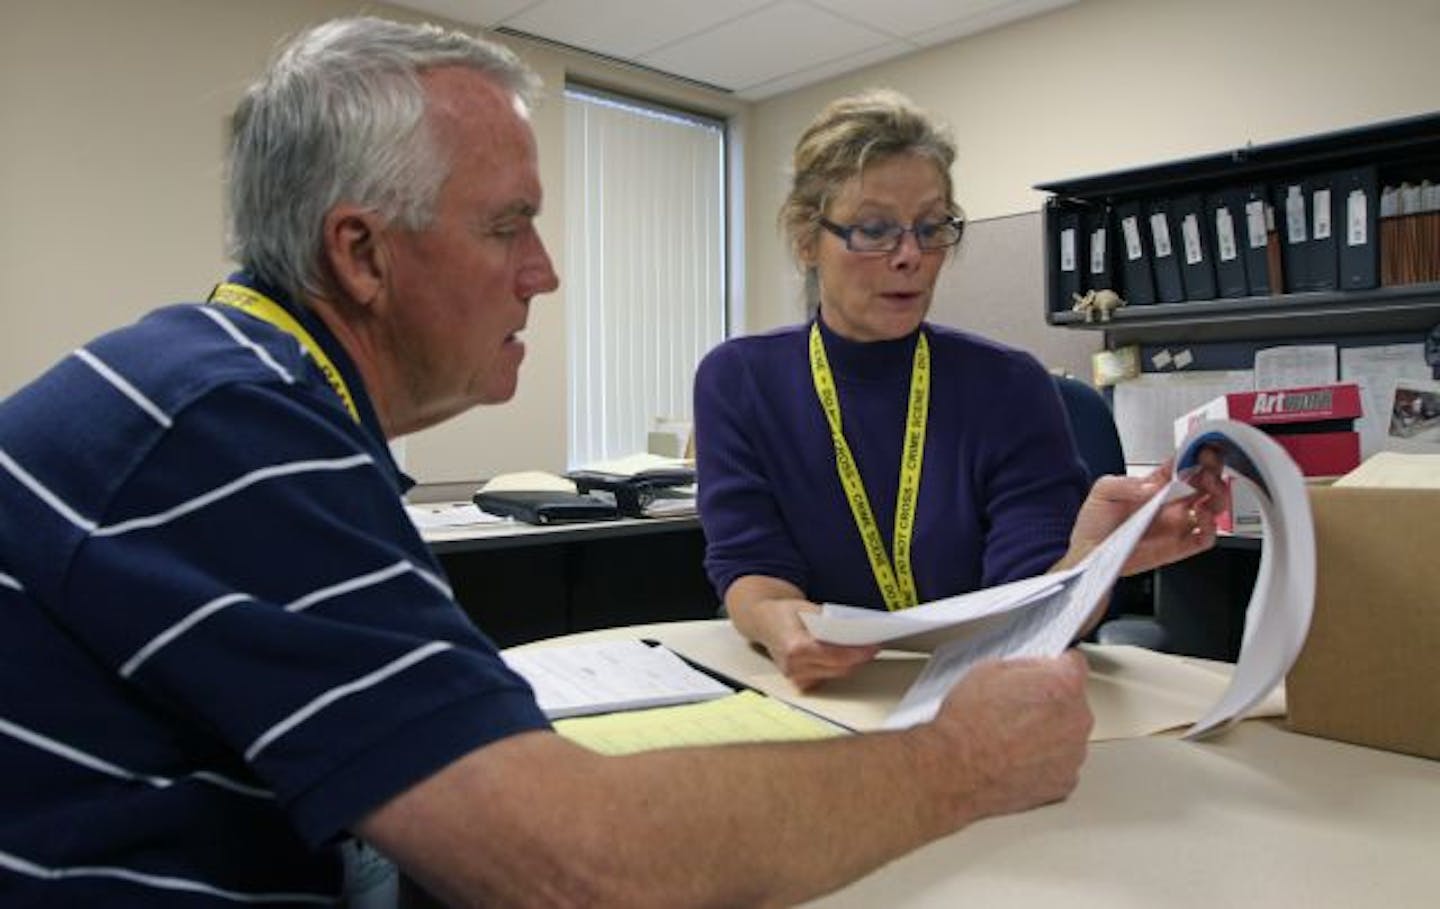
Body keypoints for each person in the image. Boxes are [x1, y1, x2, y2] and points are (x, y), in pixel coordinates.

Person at [0, 17, 1095, 908]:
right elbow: (573, 867)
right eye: (507, 225)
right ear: (361, 252)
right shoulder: (229, 429)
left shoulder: (241, 394)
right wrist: (956, 767)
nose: (546, 273)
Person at [694, 90, 1225, 690]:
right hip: (826, 693)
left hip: (980, 690)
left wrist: (1091, 564)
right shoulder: (737, 380)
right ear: (806, 238)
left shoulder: (1010, 385)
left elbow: (1035, 602)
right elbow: (751, 569)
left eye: (932, 227)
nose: (911, 256)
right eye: (874, 230)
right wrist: (775, 621)